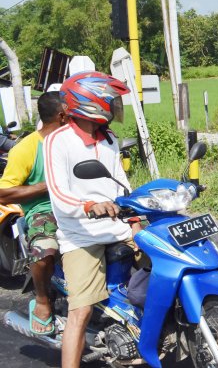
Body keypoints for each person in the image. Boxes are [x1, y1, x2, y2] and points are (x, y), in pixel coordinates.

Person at [43, 71, 138, 368]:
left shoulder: (109, 137)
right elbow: (58, 193)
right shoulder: (58, 140)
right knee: (80, 311)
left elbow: (122, 183)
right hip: (80, 235)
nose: (115, 108)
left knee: (166, 261)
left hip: (117, 226)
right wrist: (89, 205)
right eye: (111, 102)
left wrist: (135, 215)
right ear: (90, 103)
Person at [0, 91, 67, 335]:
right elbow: (3, 193)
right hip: (45, 209)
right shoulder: (26, 148)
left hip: (79, 205)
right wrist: (46, 186)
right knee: (44, 249)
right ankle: (41, 301)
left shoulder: (76, 142)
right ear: (62, 116)